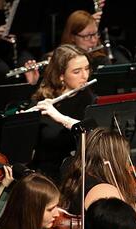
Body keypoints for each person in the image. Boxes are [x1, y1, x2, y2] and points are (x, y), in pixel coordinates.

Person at [28, 44, 95, 182]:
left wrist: (60, 118)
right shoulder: (42, 102)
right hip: (46, 176)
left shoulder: (90, 99)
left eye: (87, 69)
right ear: (61, 76)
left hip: (79, 173)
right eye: (77, 71)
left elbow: (93, 138)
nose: (85, 76)